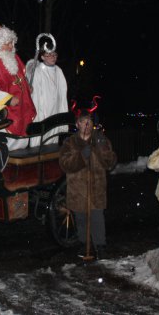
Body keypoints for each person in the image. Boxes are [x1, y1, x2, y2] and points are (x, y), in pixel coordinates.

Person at [58, 109, 117, 260]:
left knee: (97, 219)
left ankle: (100, 246)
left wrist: (100, 150)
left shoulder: (101, 140)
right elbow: (65, 164)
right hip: (78, 190)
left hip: (96, 189)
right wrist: (81, 156)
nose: (87, 125)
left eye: (89, 122)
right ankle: (84, 245)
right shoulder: (69, 143)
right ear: (77, 124)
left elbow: (110, 163)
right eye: (83, 121)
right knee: (81, 220)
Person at [26, 45, 68, 147]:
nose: (53, 57)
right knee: (40, 140)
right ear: (42, 57)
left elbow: (62, 93)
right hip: (43, 112)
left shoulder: (59, 71)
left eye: (54, 54)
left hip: (55, 111)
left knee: (53, 139)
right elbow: (35, 95)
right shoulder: (38, 71)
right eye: (49, 55)